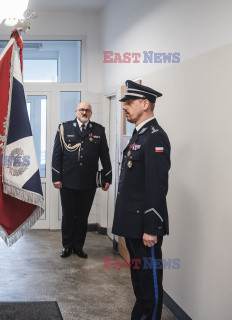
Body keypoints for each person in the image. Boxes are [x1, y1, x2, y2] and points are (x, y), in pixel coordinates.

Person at [112, 80, 170, 320]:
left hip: (145, 227)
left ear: (145, 104)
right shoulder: (140, 135)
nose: (124, 106)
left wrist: (151, 228)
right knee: (139, 279)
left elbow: (156, 186)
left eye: (129, 102)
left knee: (150, 283)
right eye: (124, 102)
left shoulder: (155, 137)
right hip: (132, 224)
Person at [52, 102, 112, 259]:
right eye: (81, 110)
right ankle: (67, 246)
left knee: (83, 216)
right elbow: (57, 154)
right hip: (67, 181)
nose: (84, 112)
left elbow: (105, 155)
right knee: (68, 215)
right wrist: (56, 177)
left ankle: (78, 247)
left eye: (87, 110)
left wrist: (108, 177)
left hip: (88, 181)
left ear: (91, 113)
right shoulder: (64, 128)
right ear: (76, 111)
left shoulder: (98, 130)